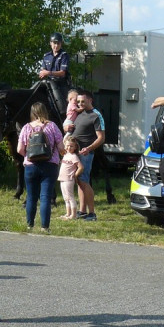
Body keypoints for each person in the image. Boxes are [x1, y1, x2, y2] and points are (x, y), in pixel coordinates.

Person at [16, 101, 64, 232]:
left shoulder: (26, 127)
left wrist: (29, 154)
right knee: (45, 197)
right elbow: (61, 147)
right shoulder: (52, 126)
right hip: (49, 165)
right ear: (45, 111)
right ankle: (44, 227)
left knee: (31, 196)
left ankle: (29, 225)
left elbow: (19, 149)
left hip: (31, 166)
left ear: (32, 113)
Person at [72, 90, 104, 221]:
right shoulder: (80, 114)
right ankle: (82, 210)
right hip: (75, 153)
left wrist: (88, 148)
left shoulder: (96, 115)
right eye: (78, 101)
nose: (80, 104)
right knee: (79, 181)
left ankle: (92, 213)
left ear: (90, 100)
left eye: (83, 101)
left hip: (85, 154)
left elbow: (101, 138)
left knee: (84, 181)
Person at [39, 32, 71, 117]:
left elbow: (62, 73)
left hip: (60, 84)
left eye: (58, 43)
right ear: (50, 43)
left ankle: (64, 119)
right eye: (54, 43)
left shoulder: (64, 55)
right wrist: (42, 73)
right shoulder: (46, 56)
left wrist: (48, 72)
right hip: (47, 84)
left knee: (64, 107)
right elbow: (42, 70)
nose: (56, 45)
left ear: (61, 44)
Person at [58, 135, 83, 220]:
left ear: (75, 147)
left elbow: (80, 167)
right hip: (62, 178)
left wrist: (75, 175)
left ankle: (74, 214)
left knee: (70, 197)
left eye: (71, 146)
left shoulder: (74, 156)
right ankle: (68, 213)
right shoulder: (65, 155)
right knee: (65, 197)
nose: (69, 147)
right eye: (67, 145)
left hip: (69, 179)